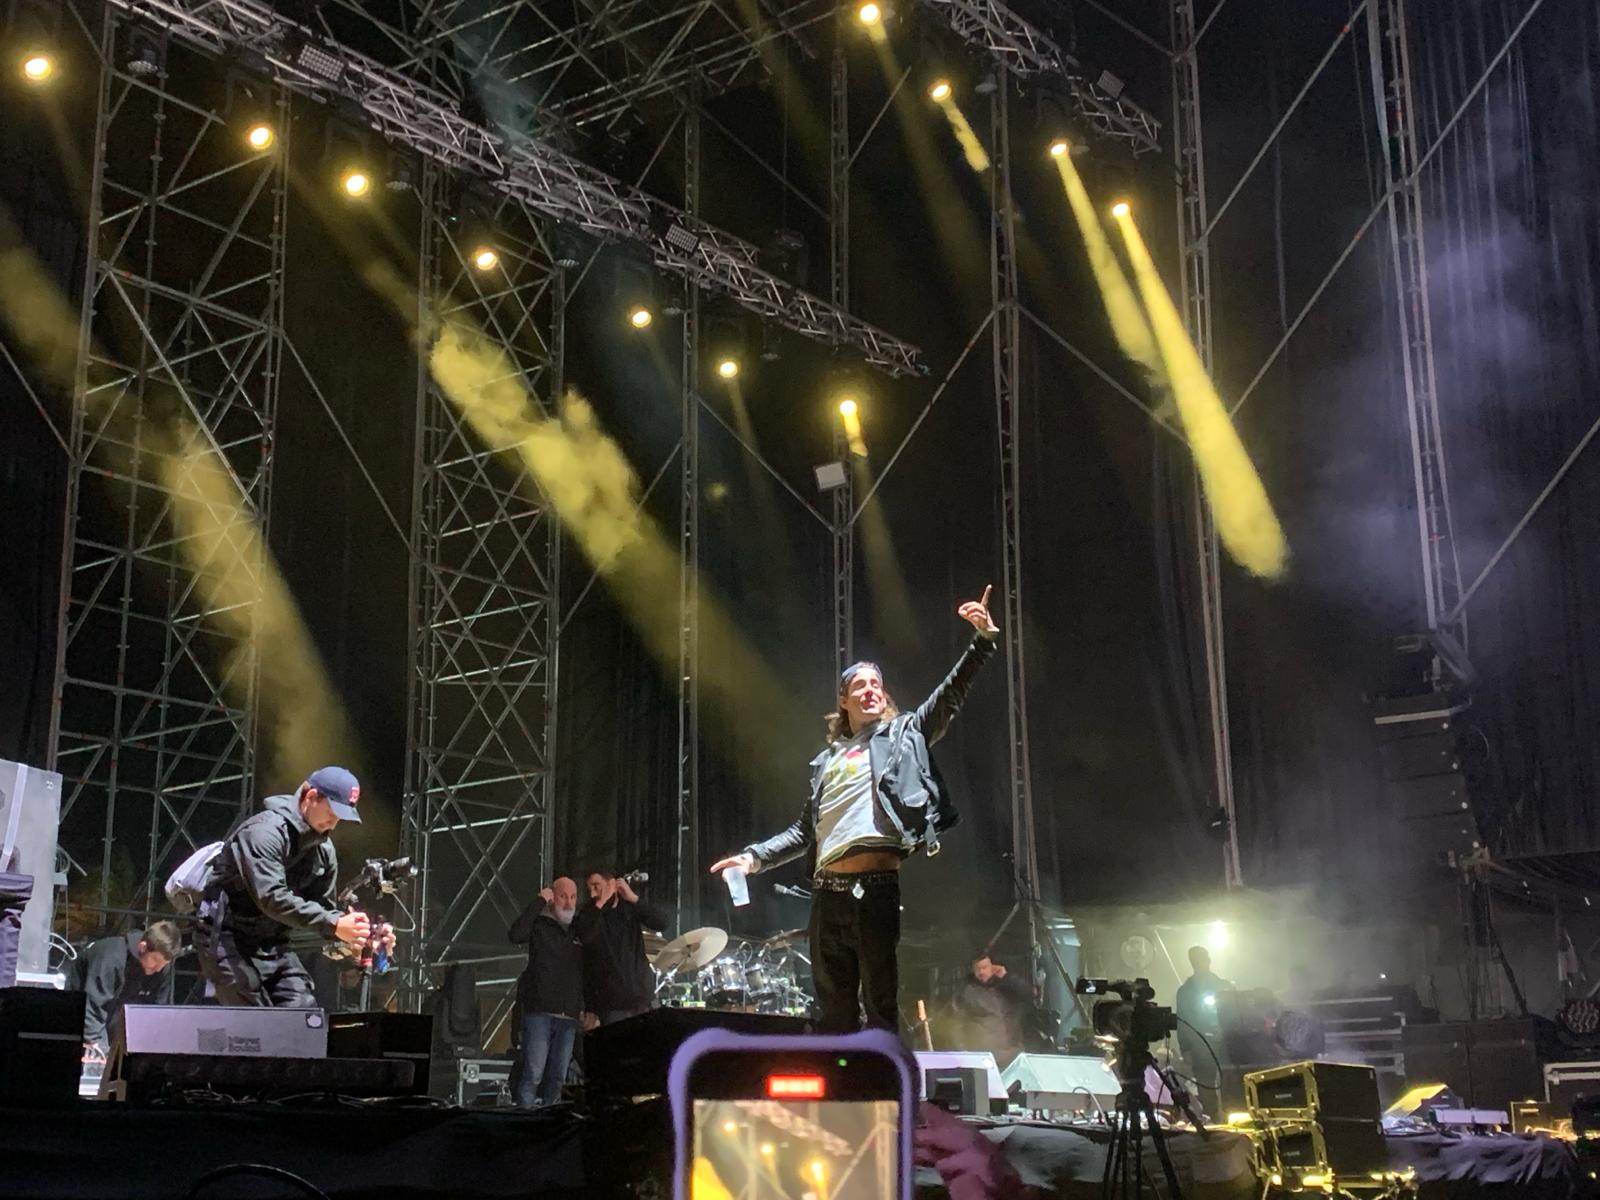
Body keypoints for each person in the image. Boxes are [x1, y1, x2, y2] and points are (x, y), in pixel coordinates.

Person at [710, 586, 999, 1033]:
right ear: (843, 701)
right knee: (833, 1008)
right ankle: (841, 1088)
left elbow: (950, 696)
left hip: (876, 883)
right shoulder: (826, 763)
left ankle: (883, 1091)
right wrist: (752, 858)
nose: (870, 691)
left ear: (884, 698)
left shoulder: (905, 734)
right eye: (859, 685)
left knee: (880, 1000)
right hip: (827, 891)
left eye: (876, 685)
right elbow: (804, 830)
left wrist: (981, 641)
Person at [195, 766, 374, 1007]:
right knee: (253, 1022)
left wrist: (352, 931)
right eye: (332, 811)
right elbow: (271, 897)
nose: (335, 821)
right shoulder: (264, 832)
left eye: (341, 815)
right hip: (227, 938)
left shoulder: (324, 851)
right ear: (310, 797)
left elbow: (320, 905)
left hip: (273, 943)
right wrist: (333, 924)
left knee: (302, 1008)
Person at [508, 876, 584, 1106]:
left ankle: (550, 1128)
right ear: (553, 897)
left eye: (573, 897)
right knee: (533, 1074)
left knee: (558, 1079)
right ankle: (525, 1124)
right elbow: (516, 934)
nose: (568, 903)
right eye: (562, 896)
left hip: (568, 1016)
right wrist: (539, 901)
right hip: (539, 1012)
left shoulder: (580, 930)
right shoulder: (539, 924)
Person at [70, 921, 181, 1057]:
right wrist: (100, 1049)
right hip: (83, 1018)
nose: (158, 968)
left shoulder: (162, 969)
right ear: (142, 947)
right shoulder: (111, 956)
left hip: (120, 1021)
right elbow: (92, 1006)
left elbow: (161, 1012)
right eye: (155, 960)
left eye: (164, 964)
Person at [576, 868, 669, 1026]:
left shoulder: (629, 907)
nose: (592, 893)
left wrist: (634, 898)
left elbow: (662, 923)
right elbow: (586, 939)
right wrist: (600, 902)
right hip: (612, 1003)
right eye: (589, 888)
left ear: (611, 883)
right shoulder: (590, 913)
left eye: (596, 886)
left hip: (642, 996)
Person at [949, 953, 1032, 1068]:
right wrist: (964, 1053)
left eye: (984, 967)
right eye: (977, 969)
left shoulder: (1010, 987)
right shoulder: (967, 991)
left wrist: (1006, 977)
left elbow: (1029, 995)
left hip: (1012, 1056)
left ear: (993, 967)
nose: (981, 972)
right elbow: (956, 1023)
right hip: (982, 1058)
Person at [1174, 945, 1231, 1088]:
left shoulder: (1225, 986)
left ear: (1208, 960)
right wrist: (1186, 1049)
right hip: (1199, 1045)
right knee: (1205, 1085)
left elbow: (1234, 1015)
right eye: (1195, 959)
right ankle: (1209, 1110)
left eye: (1202, 958)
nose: (1199, 962)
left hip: (1225, 1044)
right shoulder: (1185, 991)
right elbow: (1182, 1021)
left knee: (1229, 1084)